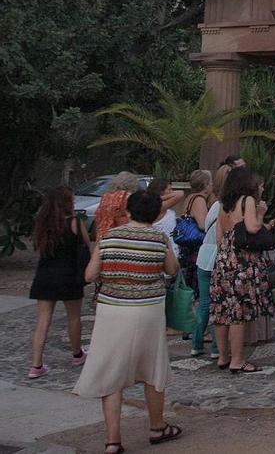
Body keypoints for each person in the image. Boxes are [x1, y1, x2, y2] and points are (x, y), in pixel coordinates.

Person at [74, 190, 183, 454]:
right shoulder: (159, 238)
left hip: (113, 310)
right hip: (149, 310)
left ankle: (113, 440)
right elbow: (172, 270)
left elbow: (89, 275)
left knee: (112, 373)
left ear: (129, 211)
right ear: (156, 212)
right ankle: (157, 426)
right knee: (152, 369)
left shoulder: (109, 237)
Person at [210, 166, 275, 373]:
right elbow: (253, 228)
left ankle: (223, 356)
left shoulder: (223, 205)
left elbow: (219, 237)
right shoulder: (247, 200)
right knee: (239, 312)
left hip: (223, 260)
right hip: (242, 261)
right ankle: (238, 359)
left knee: (222, 311)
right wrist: (260, 214)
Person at [28, 185, 90, 378]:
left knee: (42, 320)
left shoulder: (42, 223)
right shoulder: (74, 222)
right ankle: (77, 353)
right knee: (73, 317)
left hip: (45, 275)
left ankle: (36, 365)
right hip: (69, 276)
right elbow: (87, 244)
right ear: (67, 202)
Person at [192, 165, 228, 359]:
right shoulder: (225, 207)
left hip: (204, 255)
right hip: (217, 256)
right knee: (220, 304)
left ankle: (196, 343)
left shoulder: (213, 205)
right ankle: (217, 348)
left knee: (205, 303)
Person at [176, 170, 211, 296]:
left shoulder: (189, 198)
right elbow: (203, 224)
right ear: (206, 185)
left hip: (186, 247)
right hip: (195, 247)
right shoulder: (199, 200)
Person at [91, 171, 139, 241]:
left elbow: (98, 215)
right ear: (132, 184)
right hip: (119, 235)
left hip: (102, 234)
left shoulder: (106, 196)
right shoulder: (128, 196)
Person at [147, 178, 185, 256]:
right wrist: (157, 198)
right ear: (161, 191)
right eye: (169, 189)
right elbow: (180, 194)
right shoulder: (160, 206)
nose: (172, 192)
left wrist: (159, 198)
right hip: (166, 250)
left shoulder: (156, 204)